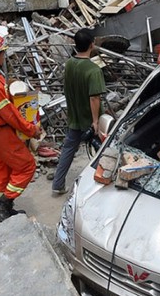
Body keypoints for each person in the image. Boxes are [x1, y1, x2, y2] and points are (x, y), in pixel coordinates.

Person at [0, 33, 42, 221]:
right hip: (2, 132)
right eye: (2, 54)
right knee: (27, 165)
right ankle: (3, 203)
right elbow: (10, 115)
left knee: (3, 169)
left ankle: (5, 210)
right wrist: (31, 130)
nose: (4, 57)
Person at [52, 29, 107, 196]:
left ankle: (58, 183)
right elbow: (94, 98)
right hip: (89, 120)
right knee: (103, 150)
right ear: (91, 44)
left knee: (68, 149)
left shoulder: (70, 63)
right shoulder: (93, 70)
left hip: (74, 116)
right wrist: (95, 121)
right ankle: (103, 183)